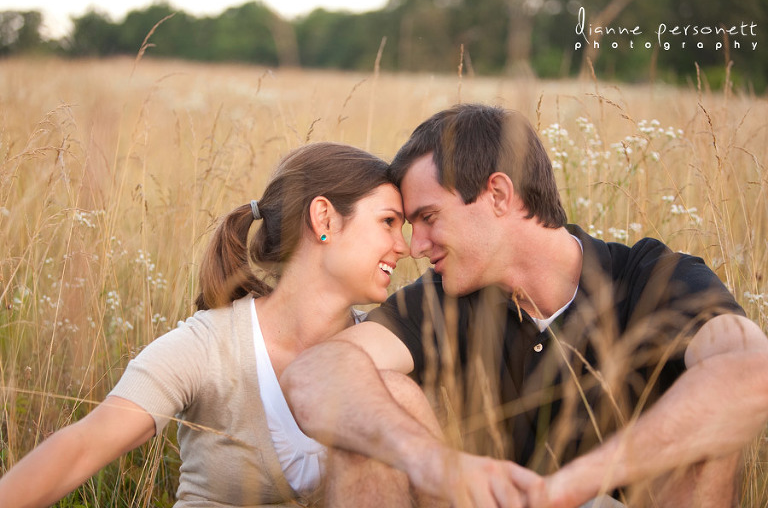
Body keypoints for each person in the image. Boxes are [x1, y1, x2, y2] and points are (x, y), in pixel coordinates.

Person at [282, 105, 768, 507]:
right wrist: (428, 461)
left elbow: (752, 371)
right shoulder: (445, 299)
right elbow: (315, 372)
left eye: (428, 218)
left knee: (708, 420)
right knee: (377, 401)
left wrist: (570, 488)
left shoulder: (653, 277)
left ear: (497, 194)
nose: (415, 245)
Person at [0, 142, 424, 507]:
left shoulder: (385, 350)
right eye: (388, 222)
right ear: (324, 219)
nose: (404, 247)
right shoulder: (207, 347)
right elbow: (82, 447)